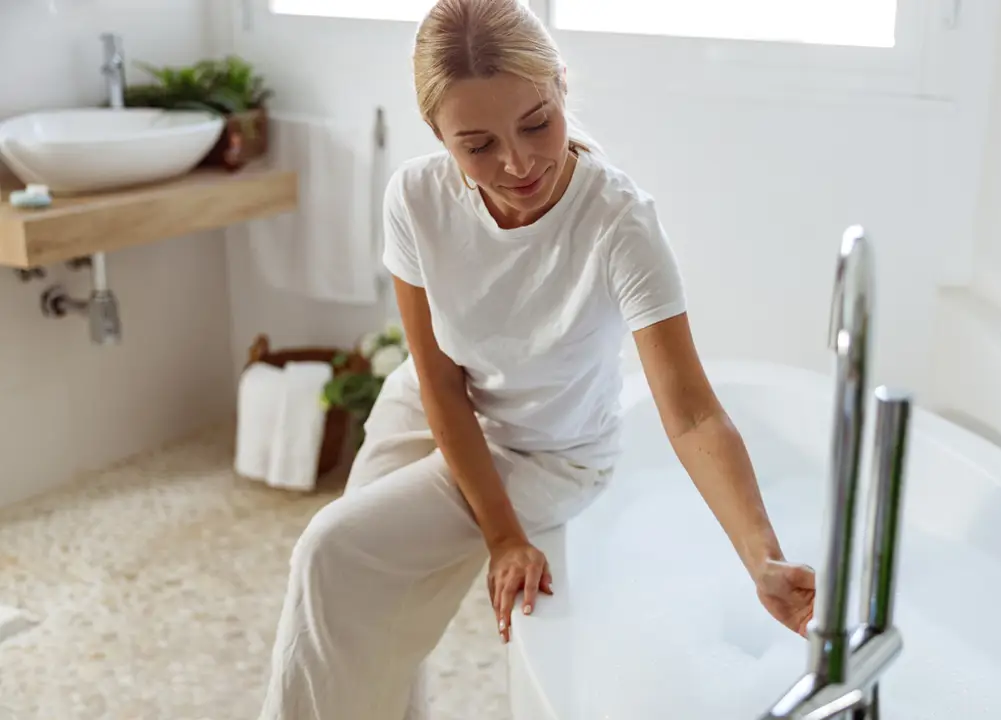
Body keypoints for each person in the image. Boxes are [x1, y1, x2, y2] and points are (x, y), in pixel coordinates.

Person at [258, 0, 816, 717]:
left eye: (535, 123)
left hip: (550, 449)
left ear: (560, 87)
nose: (518, 163)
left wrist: (759, 557)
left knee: (330, 551)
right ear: (437, 134)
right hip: (435, 402)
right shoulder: (417, 197)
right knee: (362, 594)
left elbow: (693, 413)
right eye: (478, 144)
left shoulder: (619, 222)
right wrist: (499, 534)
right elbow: (434, 376)